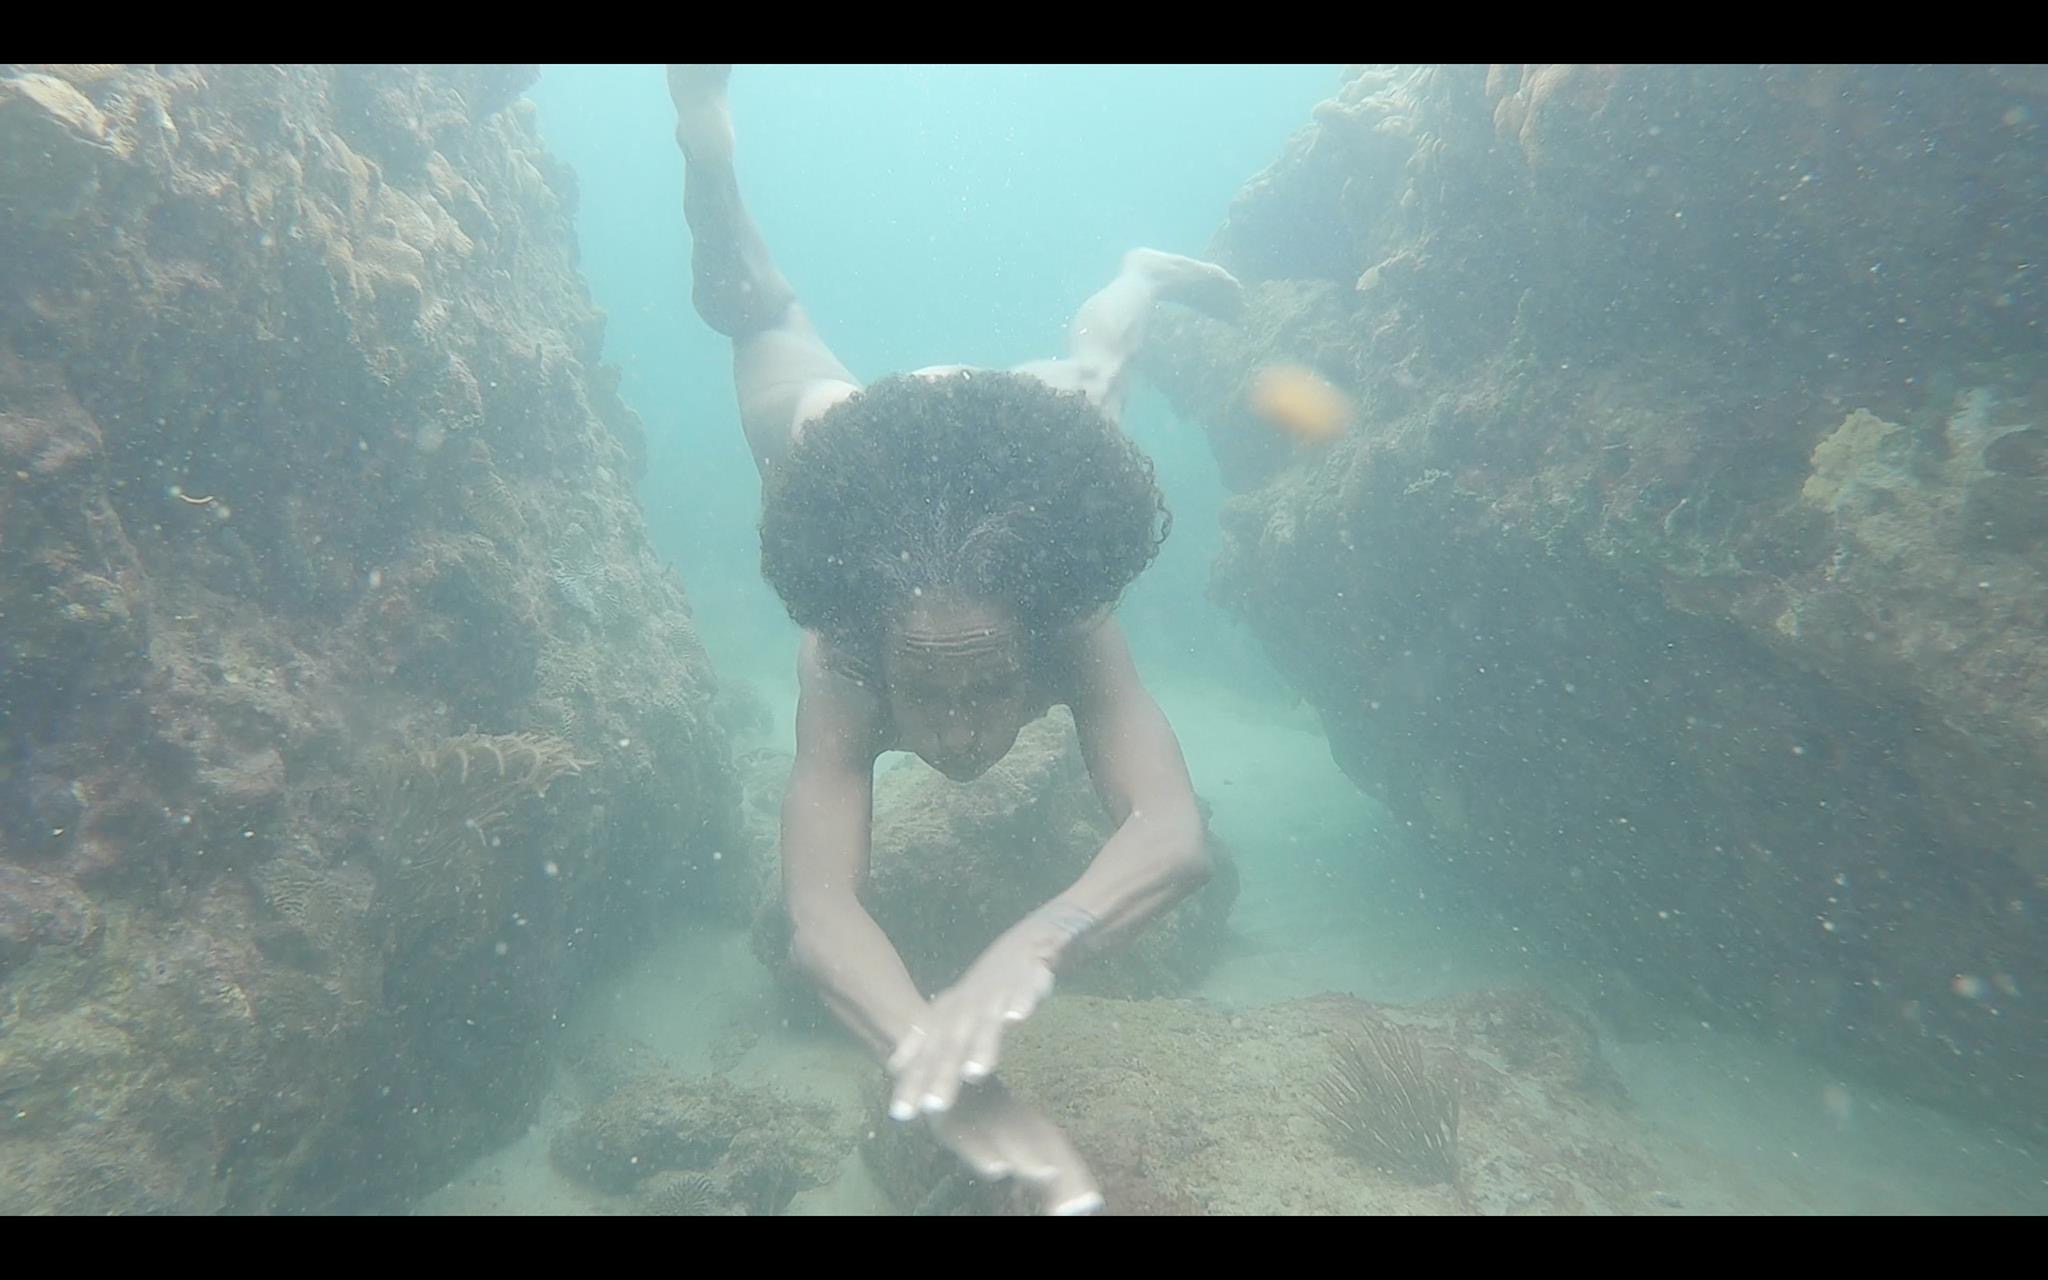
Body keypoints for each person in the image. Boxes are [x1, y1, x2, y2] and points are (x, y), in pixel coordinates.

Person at [669, 65, 1241, 1215]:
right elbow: (818, 909)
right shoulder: (839, 654)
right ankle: (701, 134)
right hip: (846, 443)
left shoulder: (1068, 612)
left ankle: (1135, 276)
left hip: (1016, 447)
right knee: (748, 307)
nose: (964, 734)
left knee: (1094, 374)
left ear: (1032, 631)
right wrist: (941, 1071)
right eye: (927, 694)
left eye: (988, 686)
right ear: (872, 649)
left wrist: (1028, 950)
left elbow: (1170, 829)